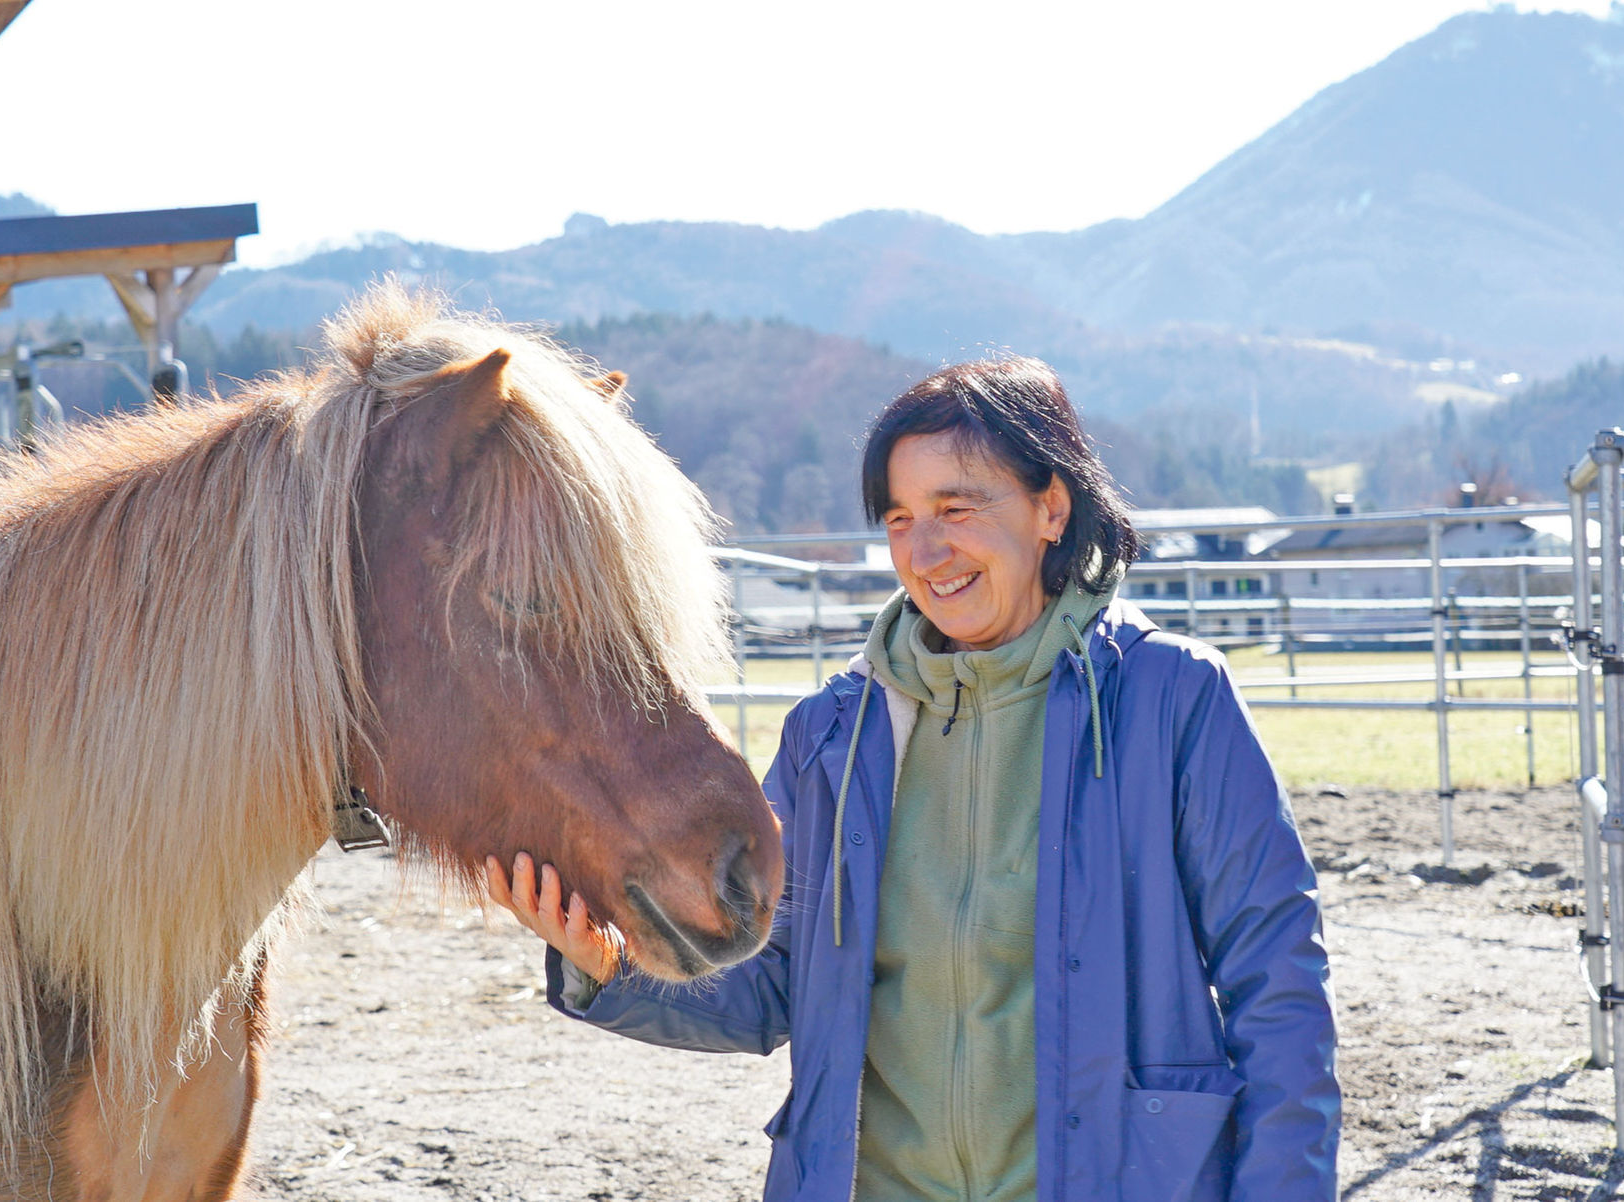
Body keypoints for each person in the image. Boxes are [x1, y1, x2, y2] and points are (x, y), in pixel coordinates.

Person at [487, 357, 1340, 1201]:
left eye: (956, 509)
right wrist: (607, 964)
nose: (926, 552)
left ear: (1051, 507)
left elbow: (1278, 986)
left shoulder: (1172, 698)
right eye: (899, 519)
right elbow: (769, 984)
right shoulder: (832, 734)